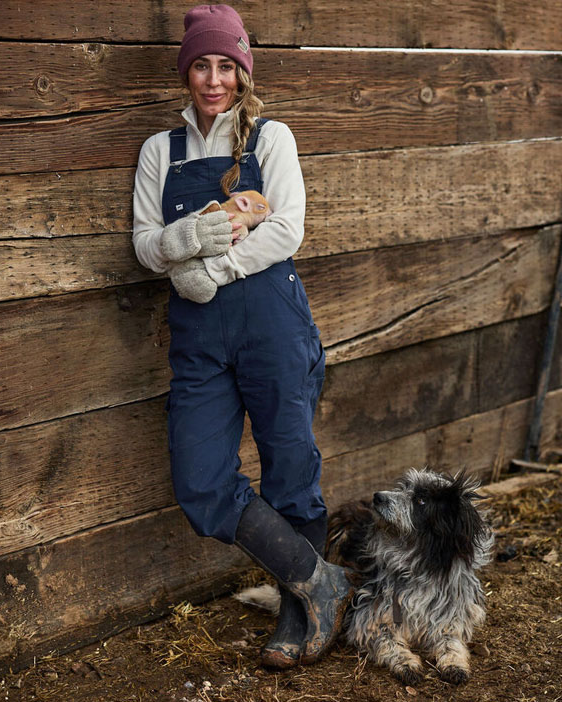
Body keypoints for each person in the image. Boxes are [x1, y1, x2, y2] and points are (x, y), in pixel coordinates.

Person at [132, 4, 353, 669]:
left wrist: (216, 267)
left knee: (290, 463)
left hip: (269, 321)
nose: (213, 79)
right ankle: (321, 580)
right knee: (200, 479)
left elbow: (286, 229)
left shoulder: (270, 139)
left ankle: (298, 616)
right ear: (186, 71)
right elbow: (145, 245)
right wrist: (181, 240)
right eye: (201, 64)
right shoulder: (159, 152)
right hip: (199, 338)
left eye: (226, 65)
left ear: (243, 71)